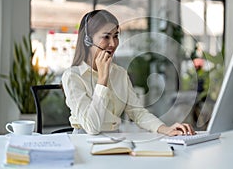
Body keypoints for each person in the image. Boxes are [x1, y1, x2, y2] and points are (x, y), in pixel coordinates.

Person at [62, 9, 195, 136]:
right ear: (88, 40)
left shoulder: (119, 73)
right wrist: (103, 79)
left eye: (115, 36)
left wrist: (165, 129)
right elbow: (92, 127)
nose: (113, 43)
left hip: (115, 143)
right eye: (106, 37)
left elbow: (137, 112)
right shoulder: (73, 76)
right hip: (83, 143)